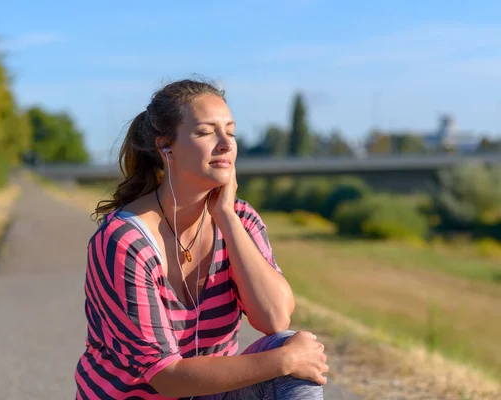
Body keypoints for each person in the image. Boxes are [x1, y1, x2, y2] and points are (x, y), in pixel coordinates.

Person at [74, 78, 328, 399]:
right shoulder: (124, 240)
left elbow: (275, 318)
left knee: (287, 347)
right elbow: (165, 377)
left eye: (231, 131)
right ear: (166, 147)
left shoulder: (240, 219)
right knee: (286, 357)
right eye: (206, 132)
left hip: (210, 393)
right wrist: (283, 360)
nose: (225, 143)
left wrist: (226, 218)